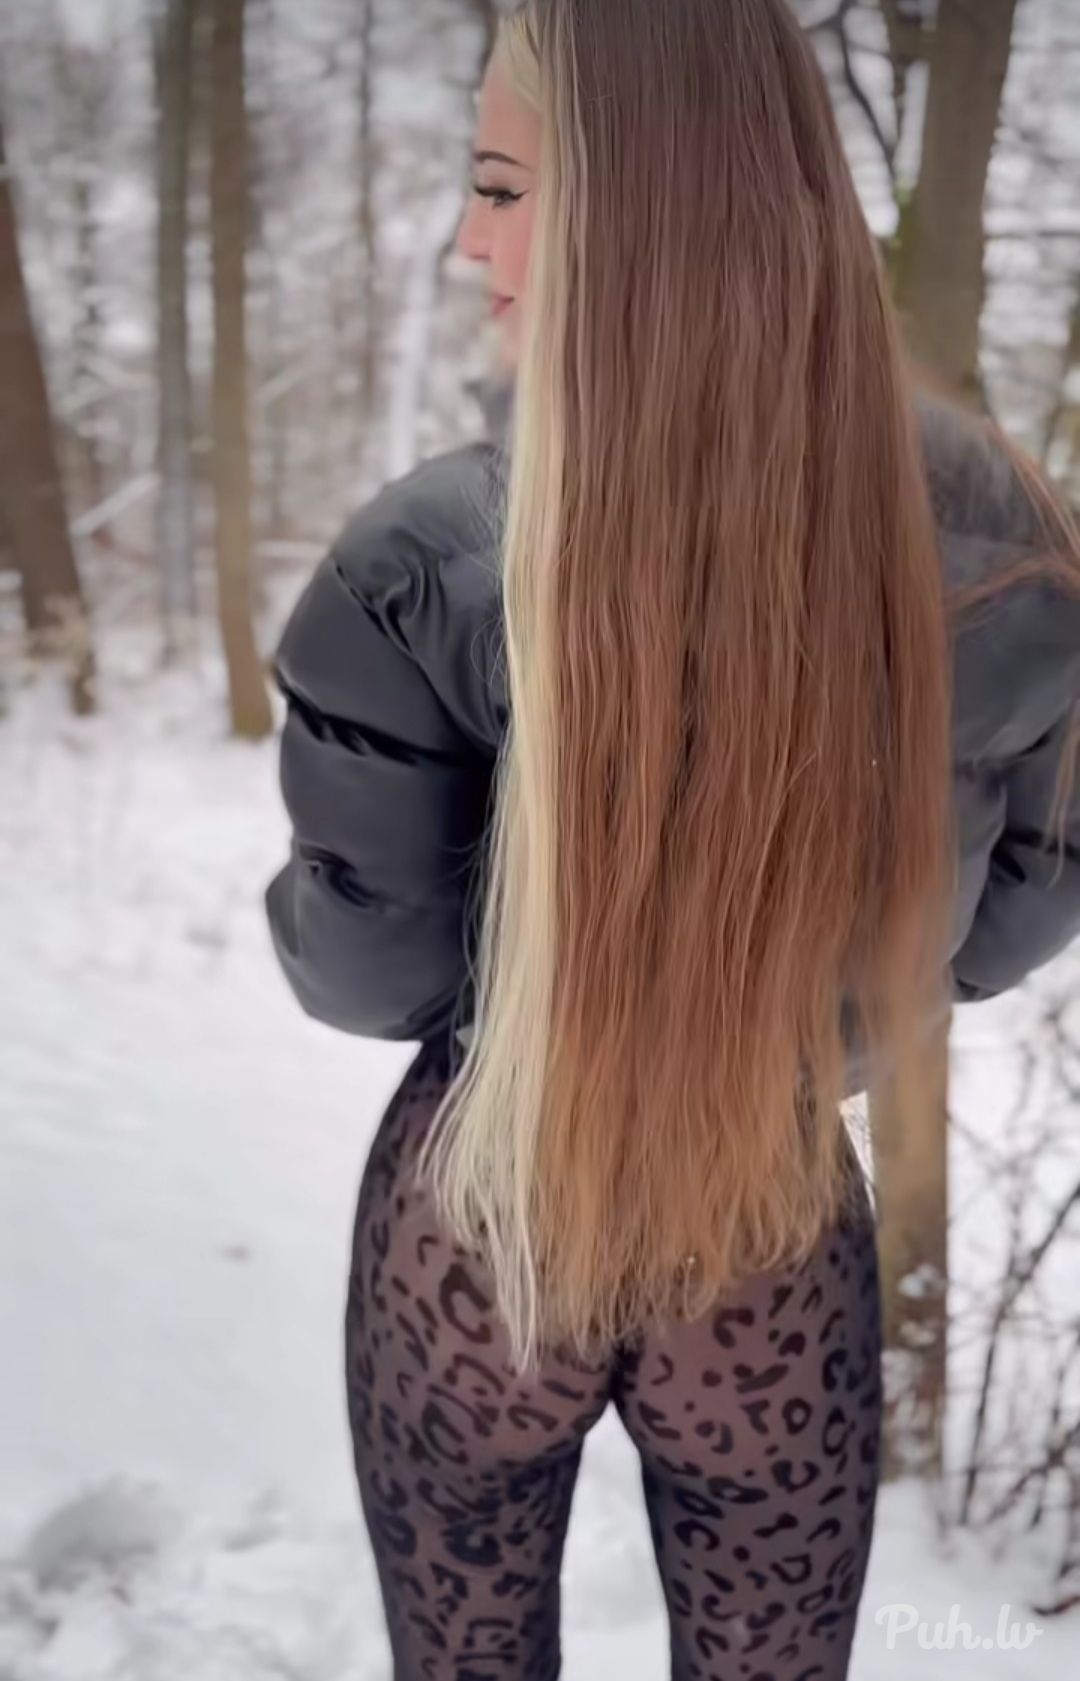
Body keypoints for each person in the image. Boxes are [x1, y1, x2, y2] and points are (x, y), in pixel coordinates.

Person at [265, 3, 1080, 1676]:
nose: (468, 241)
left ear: (638, 207)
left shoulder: (417, 561)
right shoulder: (1000, 545)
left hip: (483, 1218)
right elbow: (1004, 916)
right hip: (766, 1216)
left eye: (502, 188)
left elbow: (364, 971)